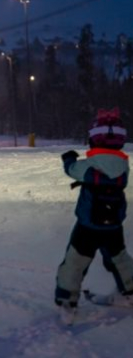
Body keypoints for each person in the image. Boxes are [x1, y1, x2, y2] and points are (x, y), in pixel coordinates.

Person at [55, 107, 133, 311]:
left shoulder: (89, 165)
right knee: (119, 258)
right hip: (114, 225)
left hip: (87, 226)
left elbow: (71, 170)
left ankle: (67, 300)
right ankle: (131, 290)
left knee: (76, 260)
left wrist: (69, 159)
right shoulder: (124, 166)